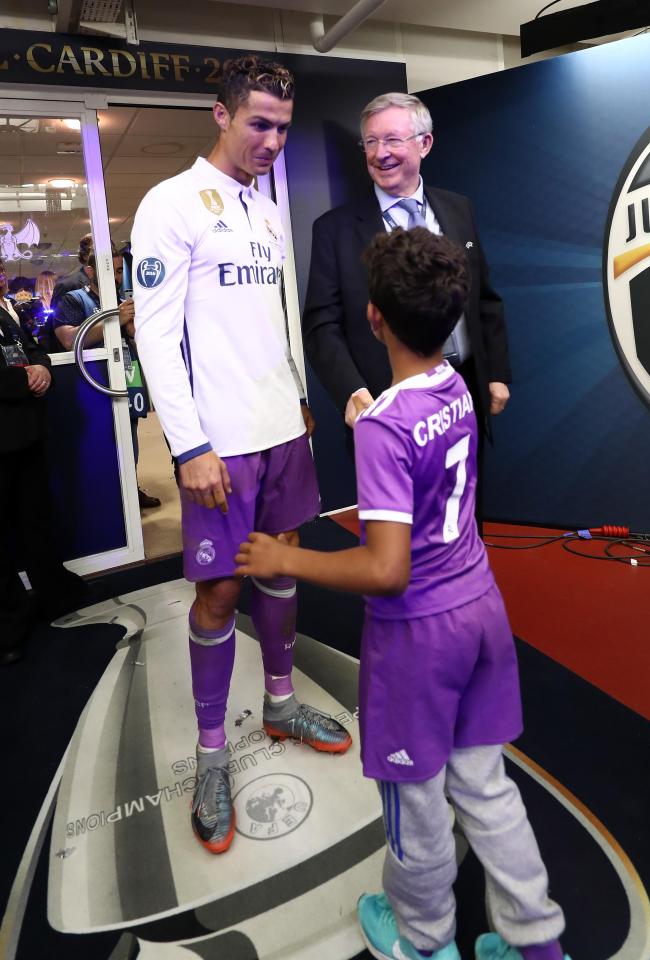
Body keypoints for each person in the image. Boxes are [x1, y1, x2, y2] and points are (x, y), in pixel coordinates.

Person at [236, 229, 570, 960]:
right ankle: (537, 941)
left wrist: (285, 559)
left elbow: (386, 569)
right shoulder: (454, 383)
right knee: (485, 787)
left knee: (414, 804)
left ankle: (422, 940)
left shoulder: (385, 427)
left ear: (374, 318)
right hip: (479, 608)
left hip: (418, 637)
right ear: (451, 318)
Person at [131, 55, 352, 856]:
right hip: (218, 446)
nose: (273, 140)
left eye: (284, 127)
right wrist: (187, 444)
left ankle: (282, 702)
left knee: (285, 570)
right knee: (221, 593)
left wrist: (296, 397)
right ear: (219, 115)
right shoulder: (171, 204)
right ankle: (211, 755)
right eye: (259, 122)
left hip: (280, 431)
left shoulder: (263, 209)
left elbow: (271, 322)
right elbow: (154, 334)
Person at [302, 92, 511, 522]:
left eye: (393, 140)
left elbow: (484, 298)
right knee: (402, 538)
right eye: (371, 143)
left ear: (424, 144)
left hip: (464, 390)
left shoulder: (458, 209)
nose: (380, 154)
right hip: (386, 404)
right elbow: (322, 324)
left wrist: (496, 374)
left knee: (465, 516)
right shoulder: (334, 231)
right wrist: (352, 391)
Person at [0, 260, 97, 664]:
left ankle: (53, 593)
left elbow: (35, 347)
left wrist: (41, 367)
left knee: (37, 519)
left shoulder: (8, 308)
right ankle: (8, 627)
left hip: (28, 434)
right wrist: (24, 379)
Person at [50, 252, 161, 510]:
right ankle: (105, 501)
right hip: (95, 382)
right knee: (99, 441)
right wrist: (115, 320)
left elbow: (141, 340)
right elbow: (69, 340)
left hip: (127, 377)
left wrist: (133, 324)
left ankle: (130, 489)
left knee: (130, 437)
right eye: (110, 269)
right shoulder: (73, 299)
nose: (116, 276)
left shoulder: (125, 301)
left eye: (121, 270)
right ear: (90, 272)